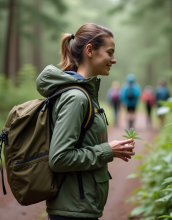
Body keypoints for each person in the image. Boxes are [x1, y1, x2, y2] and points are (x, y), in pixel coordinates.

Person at [36, 23, 136, 220]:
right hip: (72, 211)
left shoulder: (84, 94)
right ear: (90, 50)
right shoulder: (77, 98)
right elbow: (59, 158)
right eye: (110, 52)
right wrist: (108, 150)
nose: (114, 60)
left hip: (78, 207)